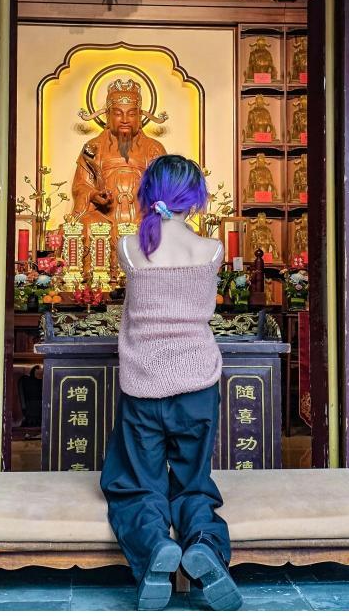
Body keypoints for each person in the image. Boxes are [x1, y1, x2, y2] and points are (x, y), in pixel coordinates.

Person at [100, 154, 242, 611]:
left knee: (138, 484)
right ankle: (203, 546)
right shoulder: (212, 250)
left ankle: (155, 547)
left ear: (148, 191)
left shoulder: (129, 247)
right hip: (198, 386)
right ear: (195, 198)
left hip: (144, 386)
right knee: (194, 483)